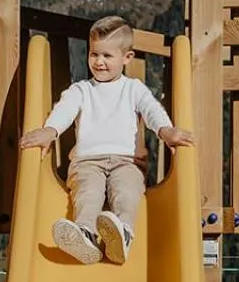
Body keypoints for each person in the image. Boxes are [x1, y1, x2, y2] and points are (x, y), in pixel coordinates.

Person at [19, 15, 194, 264]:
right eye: (93, 54)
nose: (99, 62)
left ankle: (122, 233)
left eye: (107, 56)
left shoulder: (133, 89)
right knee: (88, 193)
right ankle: (86, 234)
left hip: (128, 162)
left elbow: (152, 110)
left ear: (127, 58)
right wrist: (50, 131)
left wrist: (165, 131)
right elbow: (64, 110)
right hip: (87, 162)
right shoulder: (81, 90)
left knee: (127, 192)